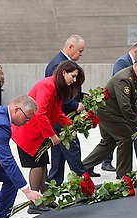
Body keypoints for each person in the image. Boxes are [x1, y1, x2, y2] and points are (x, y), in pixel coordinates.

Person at [12, 60, 85, 214]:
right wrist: (51, 135)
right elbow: (40, 113)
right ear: (64, 72)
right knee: (37, 165)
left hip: (38, 133)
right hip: (29, 132)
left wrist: (69, 124)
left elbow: (57, 112)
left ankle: (45, 199)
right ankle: (35, 202)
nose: (74, 80)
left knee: (43, 164)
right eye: (73, 76)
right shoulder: (48, 86)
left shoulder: (57, 88)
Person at [82, 53, 137, 180]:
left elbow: (131, 98)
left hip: (109, 111)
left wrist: (136, 110)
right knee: (125, 137)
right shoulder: (124, 79)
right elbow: (124, 105)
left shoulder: (133, 77)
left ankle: (83, 168)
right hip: (107, 112)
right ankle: (124, 174)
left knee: (108, 142)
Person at [44, 35, 90, 186]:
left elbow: (70, 90)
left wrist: (82, 97)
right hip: (60, 118)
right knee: (73, 152)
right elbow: (59, 95)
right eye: (80, 51)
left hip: (61, 118)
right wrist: (74, 105)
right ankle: (84, 185)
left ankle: (52, 187)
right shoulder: (57, 65)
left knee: (58, 158)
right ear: (71, 47)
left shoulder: (64, 63)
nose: (81, 54)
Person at [101, 42, 137, 172]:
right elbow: (122, 89)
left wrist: (136, 108)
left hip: (127, 105)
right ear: (136, 52)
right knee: (118, 138)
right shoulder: (122, 63)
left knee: (125, 136)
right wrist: (135, 98)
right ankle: (110, 165)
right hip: (115, 108)